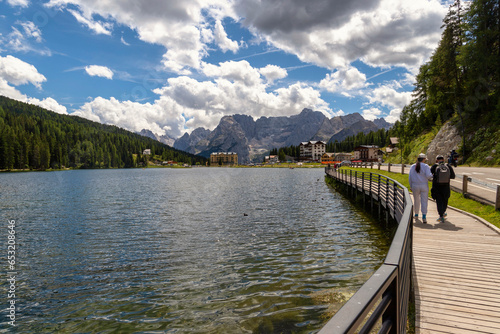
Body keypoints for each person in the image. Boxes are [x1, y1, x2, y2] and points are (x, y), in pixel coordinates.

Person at [409, 153, 433, 223]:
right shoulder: (426, 166)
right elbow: (428, 176)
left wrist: (411, 186)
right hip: (424, 185)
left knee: (416, 200)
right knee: (424, 201)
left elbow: (410, 177)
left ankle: (416, 214)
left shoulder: (413, 166)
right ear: (424, 159)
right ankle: (424, 216)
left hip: (415, 185)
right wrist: (432, 176)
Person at [431, 154, 456, 222]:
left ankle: (441, 215)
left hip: (437, 187)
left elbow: (429, 175)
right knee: (445, 200)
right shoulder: (448, 166)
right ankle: (443, 212)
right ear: (444, 160)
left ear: (437, 160)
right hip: (446, 186)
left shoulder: (435, 166)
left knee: (439, 201)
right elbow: (453, 176)